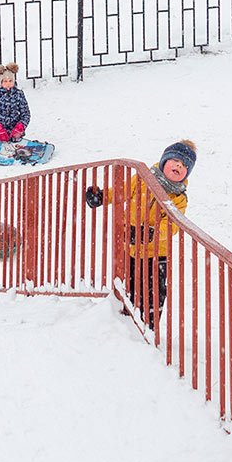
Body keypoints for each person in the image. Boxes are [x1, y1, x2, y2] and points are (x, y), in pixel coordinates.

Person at [84, 141, 196, 329]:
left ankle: (148, 329)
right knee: (130, 289)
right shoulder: (143, 179)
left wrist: (152, 233)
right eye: (175, 160)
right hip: (132, 249)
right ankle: (126, 325)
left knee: (153, 295)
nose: (178, 166)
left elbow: (172, 225)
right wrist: (102, 197)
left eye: (184, 165)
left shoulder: (179, 198)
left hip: (157, 256)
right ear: (163, 161)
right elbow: (122, 192)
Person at [0, 62, 30, 142]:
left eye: (10, 81)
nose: (8, 84)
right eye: (5, 81)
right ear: (0, 82)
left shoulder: (18, 94)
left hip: (15, 133)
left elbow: (26, 114)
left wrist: (20, 126)